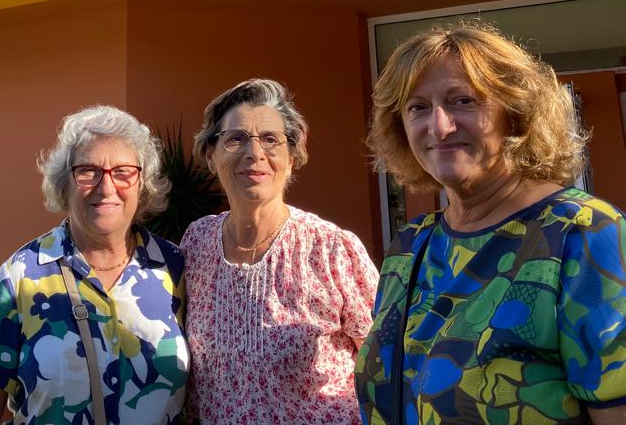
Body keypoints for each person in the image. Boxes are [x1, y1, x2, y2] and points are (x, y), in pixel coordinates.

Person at [356, 24, 626, 425]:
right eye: (417, 107)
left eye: (462, 101)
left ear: (514, 115)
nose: (439, 127)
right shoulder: (411, 245)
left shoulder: (583, 234)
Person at [0, 105, 189, 425]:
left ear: (143, 183)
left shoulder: (175, 268)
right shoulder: (22, 275)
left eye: (123, 171)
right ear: (64, 183)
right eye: (88, 171)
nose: (106, 187)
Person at [182, 78, 378, 424]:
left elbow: (385, 365)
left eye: (270, 140)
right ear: (211, 155)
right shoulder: (196, 243)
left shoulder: (332, 249)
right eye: (235, 138)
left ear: (292, 156)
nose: (254, 153)